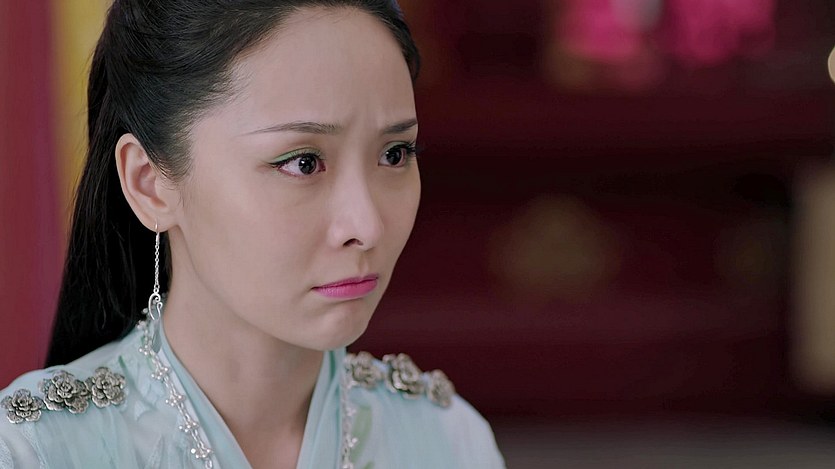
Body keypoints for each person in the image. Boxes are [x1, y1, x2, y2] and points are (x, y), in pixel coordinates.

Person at [0, 1, 505, 467]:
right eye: (303, 163)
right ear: (150, 184)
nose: (367, 226)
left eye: (395, 154)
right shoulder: (33, 452)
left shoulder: (446, 441)